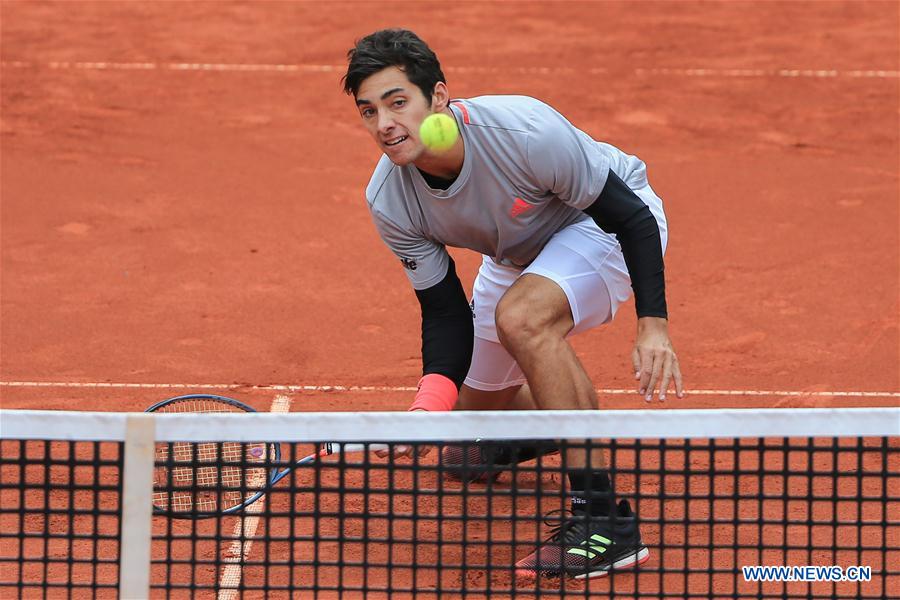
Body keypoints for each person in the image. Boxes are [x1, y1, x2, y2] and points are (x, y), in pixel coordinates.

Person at [342, 29, 684, 580]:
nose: (384, 123)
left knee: (522, 319)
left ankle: (605, 524)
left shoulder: (524, 132)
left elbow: (631, 219)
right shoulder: (390, 200)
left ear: (439, 97)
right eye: (369, 111)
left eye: (397, 102)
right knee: (465, 436)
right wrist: (427, 411)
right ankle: (558, 424)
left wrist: (653, 326)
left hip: (601, 225)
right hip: (518, 253)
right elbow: (445, 313)